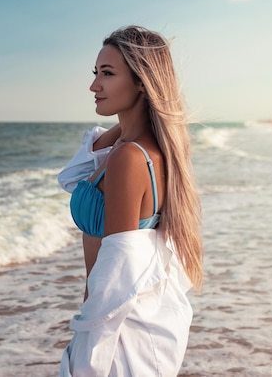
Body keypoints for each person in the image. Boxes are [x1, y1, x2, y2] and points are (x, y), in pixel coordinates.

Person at [58, 25, 203, 376]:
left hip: (115, 338)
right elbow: (72, 176)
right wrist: (126, 124)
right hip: (130, 324)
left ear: (142, 82)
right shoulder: (143, 150)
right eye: (96, 73)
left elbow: (112, 280)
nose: (95, 85)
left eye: (107, 74)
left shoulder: (129, 159)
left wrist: (85, 352)